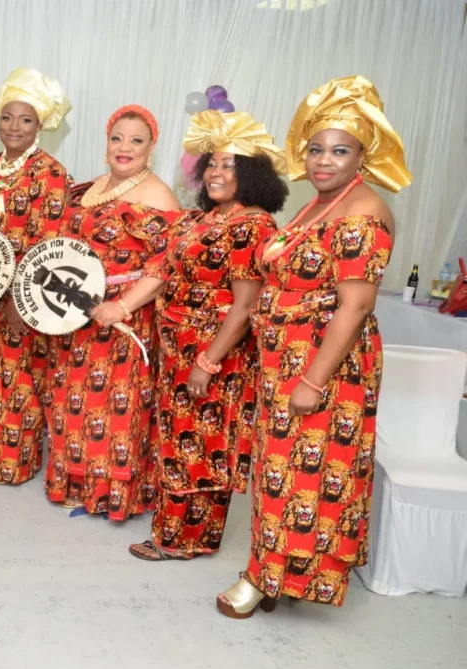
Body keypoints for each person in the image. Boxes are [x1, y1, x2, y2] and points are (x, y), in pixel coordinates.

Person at [216, 76, 412, 617]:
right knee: (281, 473)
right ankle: (274, 572)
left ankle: (262, 578)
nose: (324, 160)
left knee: (303, 476)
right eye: (316, 149)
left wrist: (312, 380)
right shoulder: (319, 205)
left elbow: (356, 305)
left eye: (340, 151)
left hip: (325, 366)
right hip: (284, 361)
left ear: (363, 156)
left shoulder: (362, 213)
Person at [112, 110, 288, 559]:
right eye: (212, 163)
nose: (216, 172)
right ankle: (187, 536)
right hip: (177, 350)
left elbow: (245, 306)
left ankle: (179, 541)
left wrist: (207, 362)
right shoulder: (204, 219)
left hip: (214, 355)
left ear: (252, 173)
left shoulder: (254, 226)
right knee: (179, 439)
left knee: (200, 444)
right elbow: (162, 266)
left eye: (229, 165)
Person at [45, 105, 182, 520]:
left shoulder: (157, 195)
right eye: (117, 138)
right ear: (106, 144)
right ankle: (75, 481)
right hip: (78, 314)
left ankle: (110, 493)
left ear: (151, 149)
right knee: (74, 400)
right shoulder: (94, 187)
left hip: (123, 317)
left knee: (113, 408)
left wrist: (121, 306)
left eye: (136, 141)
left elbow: (166, 264)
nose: (125, 147)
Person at [0, 67, 72, 485]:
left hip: (22, 297)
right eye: (7, 117)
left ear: (39, 125)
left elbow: (49, 246)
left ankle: (12, 464)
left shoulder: (51, 173)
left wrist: (18, 300)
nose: (14, 126)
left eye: (25, 119)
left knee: (19, 378)